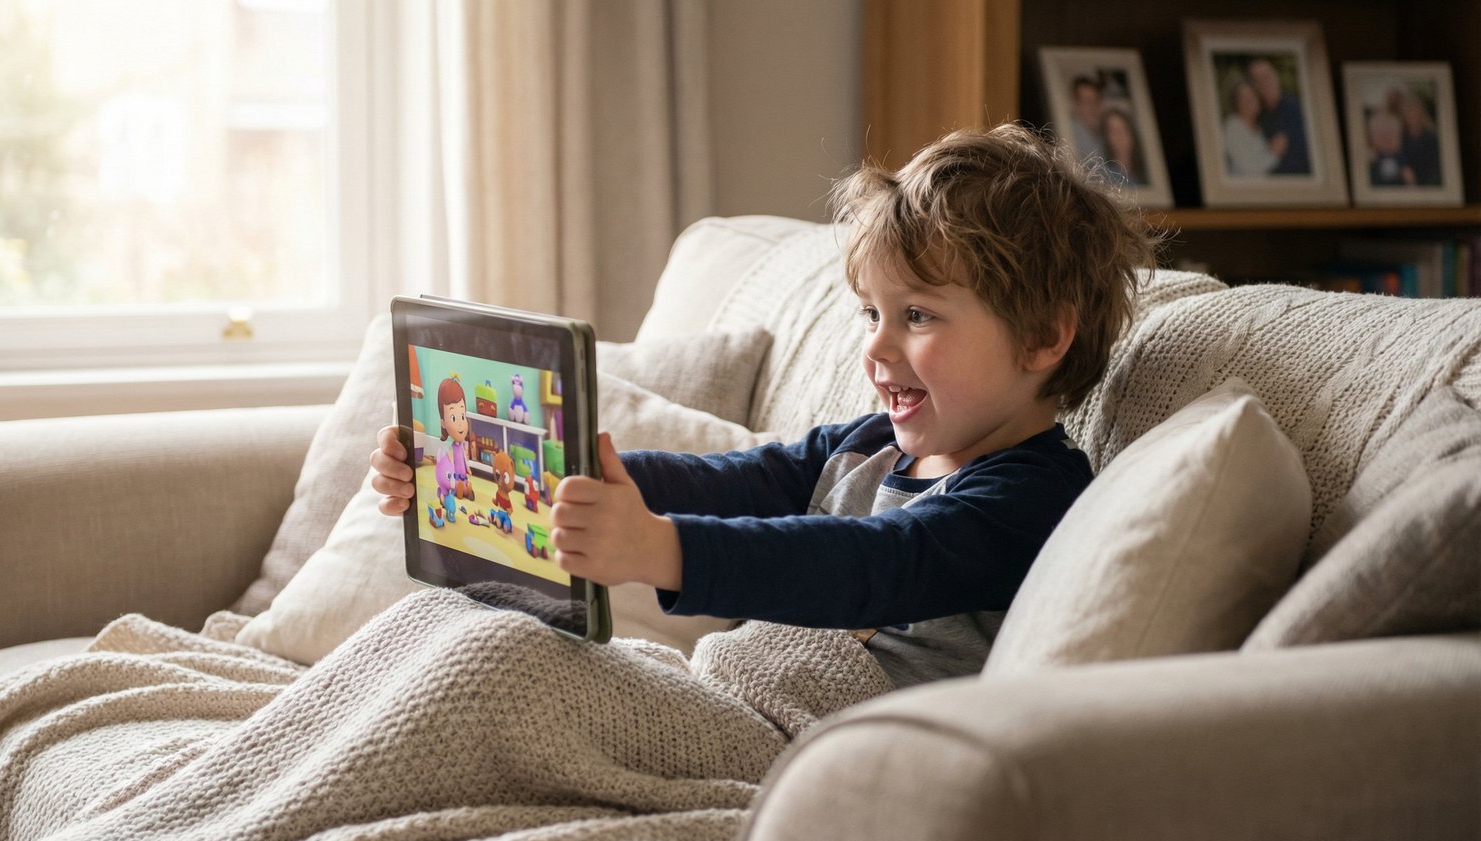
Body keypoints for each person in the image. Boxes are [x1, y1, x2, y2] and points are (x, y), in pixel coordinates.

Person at [371, 123, 1156, 688]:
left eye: (918, 316)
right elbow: (738, 481)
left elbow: (867, 567)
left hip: (815, 748)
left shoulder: (1028, 497)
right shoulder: (870, 443)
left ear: (1045, 336)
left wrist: (658, 551)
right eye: (870, 315)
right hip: (730, 690)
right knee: (458, 635)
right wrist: (553, 475)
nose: (878, 350)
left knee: (488, 677)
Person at [1247, 57, 1310, 175]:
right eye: (1258, 80)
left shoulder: (1295, 110)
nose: (1265, 83)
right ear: (1254, 86)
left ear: (1276, 77)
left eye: (1267, 76)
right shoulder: (1258, 116)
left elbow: (1302, 158)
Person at [1221, 78, 1279, 177]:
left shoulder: (1260, 128)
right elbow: (1248, 169)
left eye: (1252, 96)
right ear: (1236, 103)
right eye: (1243, 98)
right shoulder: (1233, 126)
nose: (1249, 101)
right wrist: (1274, 153)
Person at [1386, 86, 1441, 186]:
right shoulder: (1401, 137)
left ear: (1421, 114)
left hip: (1424, 185)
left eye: (1414, 112)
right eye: (1408, 113)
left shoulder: (1431, 138)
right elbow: (1395, 154)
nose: (1411, 117)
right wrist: (1404, 167)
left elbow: (1433, 168)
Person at [1099, 106, 1147, 185]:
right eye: (1114, 131)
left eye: (1124, 129)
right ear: (1106, 137)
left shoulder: (1145, 174)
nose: (1120, 136)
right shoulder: (1104, 177)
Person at [1068, 76, 1107, 165]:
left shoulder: (1104, 133)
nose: (1092, 106)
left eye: (1095, 100)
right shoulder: (1070, 132)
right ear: (1076, 104)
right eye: (1086, 101)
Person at [1365, 109, 1406, 187]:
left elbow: (1407, 175)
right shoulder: (1372, 157)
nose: (1386, 138)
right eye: (1380, 134)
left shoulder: (1400, 157)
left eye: (1392, 134)